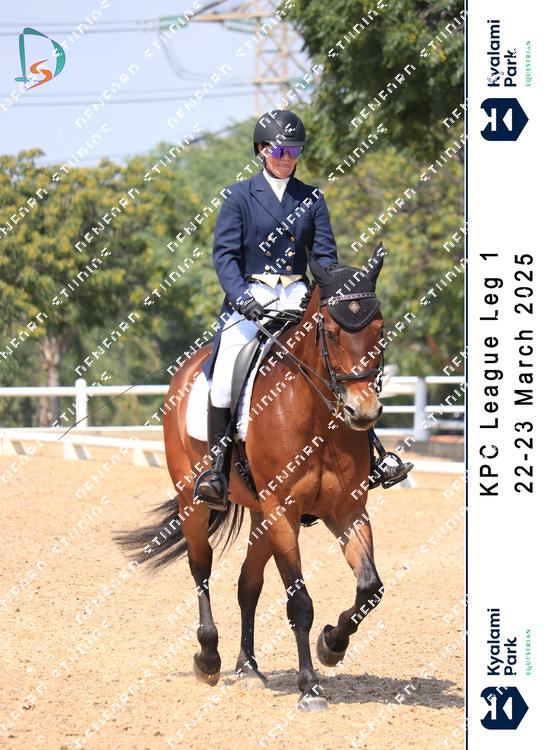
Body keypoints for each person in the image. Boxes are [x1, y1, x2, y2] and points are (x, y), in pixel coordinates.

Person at [195, 110, 412, 510]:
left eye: (293, 151)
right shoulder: (238, 196)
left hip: (299, 297)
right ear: (262, 150)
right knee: (224, 375)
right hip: (251, 299)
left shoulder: (311, 199)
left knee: (338, 364)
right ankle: (217, 473)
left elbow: (325, 257)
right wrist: (241, 297)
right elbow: (224, 256)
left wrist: (327, 294)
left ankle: (375, 456)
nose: (286, 158)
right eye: (279, 150)